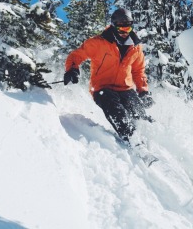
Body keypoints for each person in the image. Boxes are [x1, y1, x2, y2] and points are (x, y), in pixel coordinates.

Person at [63, 8, 154, 144]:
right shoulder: (98, 42)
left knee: (139, 113)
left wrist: (143, 91)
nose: (124, 32)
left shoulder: (135, 47)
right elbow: (76, 55)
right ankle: (132, 138)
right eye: (121, 28)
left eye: (127, 28)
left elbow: (138, 70)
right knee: (116, 110)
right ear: (113, 25)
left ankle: (152, 139)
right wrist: (72, 69)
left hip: (125, 88)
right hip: (102, 88)